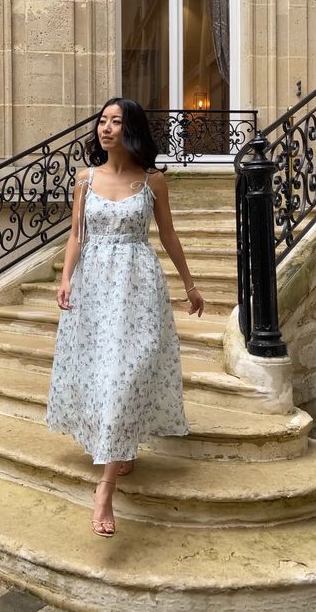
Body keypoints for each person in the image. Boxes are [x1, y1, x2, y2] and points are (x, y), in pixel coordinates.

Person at [45, 98, 204, 537]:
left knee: (128, 372)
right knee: (103, 373)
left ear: (131, 129)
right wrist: (66, 278)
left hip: (138, 288)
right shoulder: (84, 179)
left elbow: (168, 234)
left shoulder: (154, 181)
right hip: (95, 287)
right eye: (102, 120)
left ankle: (105, 488)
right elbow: (77, 234)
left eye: (116, 121)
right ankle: (119, 446)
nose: (106, 128)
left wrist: (190, 284)